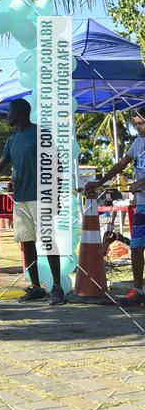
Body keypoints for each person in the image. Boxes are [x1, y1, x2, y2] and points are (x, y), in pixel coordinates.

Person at [0, 98, 64, 306]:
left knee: (47, 241)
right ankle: (36, 287)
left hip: (41, 196)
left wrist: (55, 195)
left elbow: (57, 165)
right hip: (20, 199)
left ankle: (57, 287)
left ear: (20, 112)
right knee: (27, 243)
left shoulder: (40, 133)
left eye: (9, 111)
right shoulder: (12, 140)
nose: (6, 115)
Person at [85, 107, 145, 306]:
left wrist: (140, 183)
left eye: (141, 123)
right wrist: (100, 181)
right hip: (142, 204)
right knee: (136, 247)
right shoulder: (137, 143)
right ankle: (138, 290)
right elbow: (121, 165)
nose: (138, 127)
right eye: (136, 123)